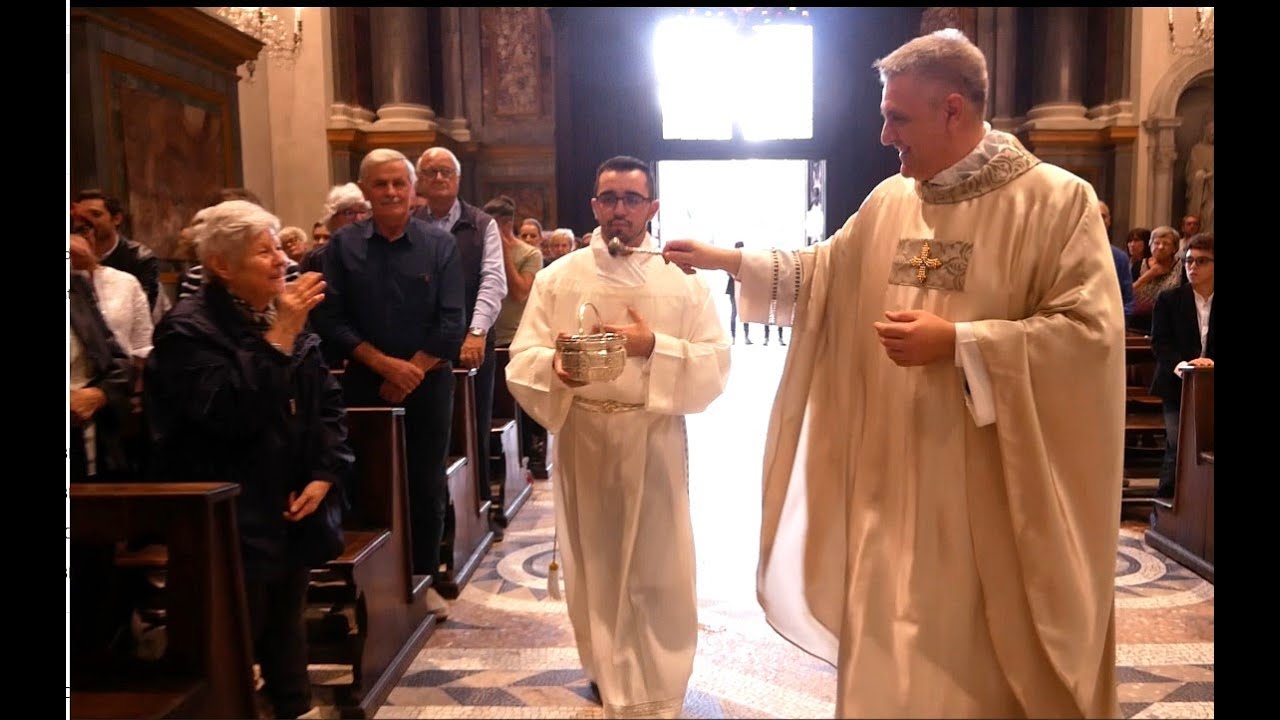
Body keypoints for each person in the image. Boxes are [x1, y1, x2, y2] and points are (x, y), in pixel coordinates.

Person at [664, 29, 1123, 718]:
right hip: (888, 482)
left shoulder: (1056, 203)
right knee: (890, 648)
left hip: (986, 495)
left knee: (968, 658)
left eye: (897, 117)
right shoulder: (890, 202)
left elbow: (1089, 336)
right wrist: (728, 261)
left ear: (953, 110)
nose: (884, 136)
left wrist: (961, 343)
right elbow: (826, 274)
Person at [505, 155, 730, 718]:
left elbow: (716, 360)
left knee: (658, 562)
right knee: (595, 561)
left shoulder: (682, 281)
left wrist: (653, 346)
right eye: (609, 198)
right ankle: (605, 666)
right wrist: (555, 368)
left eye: (631, 199)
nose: (619, 210)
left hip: (652, 436)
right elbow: (523, 355)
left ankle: (659, 676)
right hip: (585, 435)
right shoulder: (559, 278)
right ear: (594, 206)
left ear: (652, 207)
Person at [145, 200, 353, 719]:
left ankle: (293, 707)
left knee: (287, 626)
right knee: (242, 633)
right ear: (221, 265)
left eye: (280, 248)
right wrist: (280, 335)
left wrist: (324, 474)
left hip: (290, 500)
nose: (283, 260)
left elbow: (327, 405)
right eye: (265, 252)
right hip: (231, 512)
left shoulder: (282, 316)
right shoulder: (186, 330)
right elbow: (229, 413)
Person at [311, 149, 466, 618]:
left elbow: (452, 321)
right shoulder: (343, 247)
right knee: (366, 479)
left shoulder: (440, 245)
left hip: (429, 382)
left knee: (425, 481)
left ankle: (423, 577)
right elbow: (330, 319)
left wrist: (410, 372)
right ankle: (374, 584)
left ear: (413, 188)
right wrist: (384, 366)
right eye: (381, 184)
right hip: (366, 383)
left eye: (400, 183)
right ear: (365, 190)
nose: (392, 192)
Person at [1149, 233, 1214, 499]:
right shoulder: (1169, 299)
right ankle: (1166, 504)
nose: (1192, 267)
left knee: (1208, 449)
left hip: (1211, 384)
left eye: (1201, 261)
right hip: (1176, 384)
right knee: (1177, 444)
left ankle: (1201, 506)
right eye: (1188, 261)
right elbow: (1160, 343)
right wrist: (1183, 365)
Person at [1099, 201, 1135, 316]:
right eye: (1095, 215)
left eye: (1103, 216)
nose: (1100, 220)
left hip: (1111, 320)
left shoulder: (1119, 257)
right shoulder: (1070, 253)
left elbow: (1127, 299)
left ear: (1109, 221)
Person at [1185, 119, 1213, 235]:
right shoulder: (1198, 150)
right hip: (1204, 194)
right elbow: (1191, 174)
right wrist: (1203, 176)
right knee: (1206, 214)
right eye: (1211, 132)